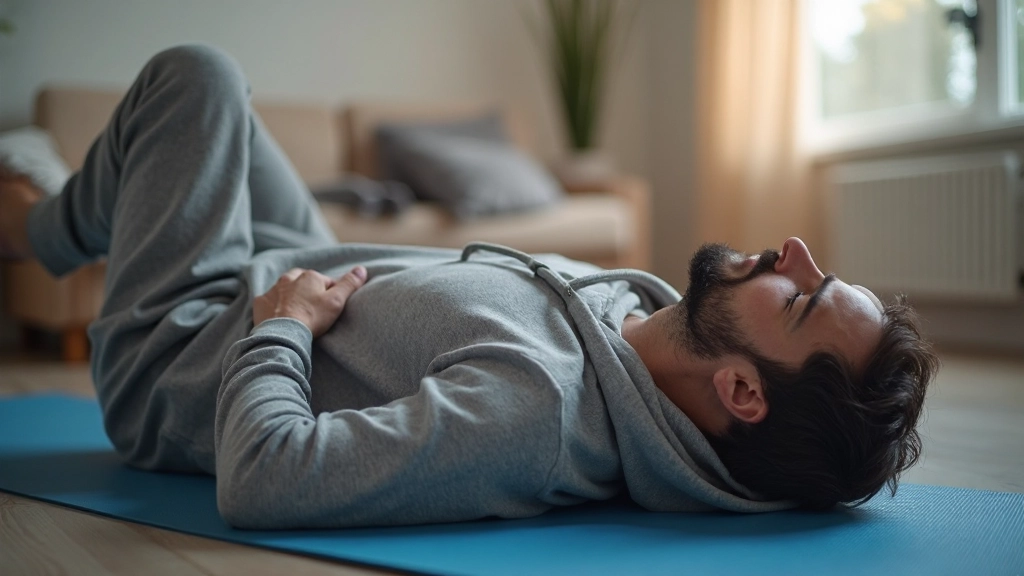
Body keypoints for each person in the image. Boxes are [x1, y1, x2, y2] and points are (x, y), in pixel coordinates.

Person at [0, 45, 939, 529]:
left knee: (198, 79)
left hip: (191, 347)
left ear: (741, 390)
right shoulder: (639, 325)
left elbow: (264, 479)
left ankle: (31, 230)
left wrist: (281, 327)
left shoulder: (530, 413)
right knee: (230, 119)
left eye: (804, 296)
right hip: (315, 260)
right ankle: (62, 216)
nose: (795, 249)